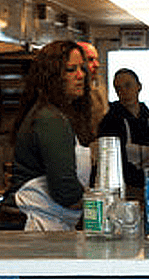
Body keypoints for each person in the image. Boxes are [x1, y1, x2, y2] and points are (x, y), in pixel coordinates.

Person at [9, 41, 94, 231]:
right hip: (36, 223)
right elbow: (65, 191)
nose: (80, 75)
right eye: (71, 70)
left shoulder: (57, 114)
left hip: (52, 221)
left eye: (82, 68)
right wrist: (98, 203)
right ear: (52, 76)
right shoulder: (50, 118)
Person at [97, 68, 149, 195]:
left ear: (139, 86)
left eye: (128, 85)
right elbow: (115, 164)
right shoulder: (110, 122)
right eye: (118, 88)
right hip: (123, 190)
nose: (124, 92)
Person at [77, 40, 108, 132]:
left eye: (96, 59)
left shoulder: (98, 91)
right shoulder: (72, 95)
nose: (96, 65)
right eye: (90, 60)